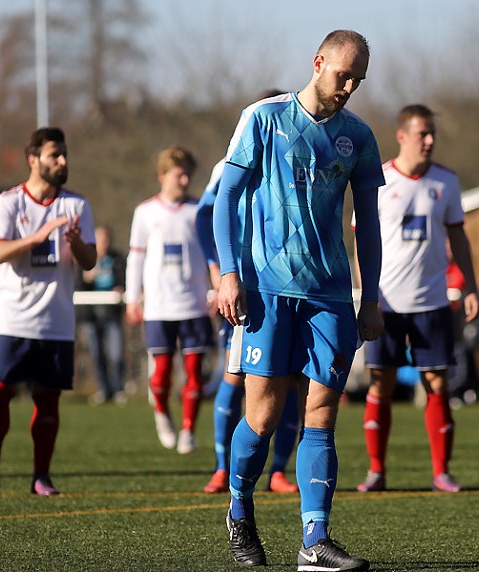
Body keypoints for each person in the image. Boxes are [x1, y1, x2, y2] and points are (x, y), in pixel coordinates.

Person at [213, 30, 384, 571]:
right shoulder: (262, 118)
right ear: (318, 62)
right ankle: (240, 511)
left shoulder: (358, 135)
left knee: (323, 413)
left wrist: (370, 296)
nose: (350, 86)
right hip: (267, 289)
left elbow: (370, 225)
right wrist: (228, 274)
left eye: (358, 79)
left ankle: (315, 540)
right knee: (262, 415)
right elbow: (227, 200)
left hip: (331, 294)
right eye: (343, 74)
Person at [0, 127, 96, 496]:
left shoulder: (77, 205)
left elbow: (90, 262)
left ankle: (42, 476)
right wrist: (36, 239)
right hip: (13, 318)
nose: (62, 161)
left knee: (48, 397)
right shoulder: (7, 202)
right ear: (33, 160)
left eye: (65, 154)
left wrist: (75, 244)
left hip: (56, 321)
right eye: (55, 155)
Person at [355, 104, 479, 495]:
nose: (429, 141)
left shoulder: (446, 182)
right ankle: (377, 471)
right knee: (380, 386)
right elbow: (362, 241)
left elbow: (458, 236)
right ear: (402, 135)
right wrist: (368, 297)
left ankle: (441, 472)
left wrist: (471, 285)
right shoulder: (379, 180)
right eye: (422, 133)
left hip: (433, 303)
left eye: (432, 135)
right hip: (386, 305)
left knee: (438, 385)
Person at [195, 150, 300, 495]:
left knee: (287, 381)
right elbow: (204, 215)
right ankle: (222, 467)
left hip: (293, 288)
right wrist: (219, 269)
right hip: (249, 287)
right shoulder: (229, 164)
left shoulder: (299, 160)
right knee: (233, 374)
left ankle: (279, 470)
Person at [126, 146, 213, 455]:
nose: (185, 179)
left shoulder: (200, 209)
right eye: (179, 174)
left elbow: (212, 254)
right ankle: (162, 413)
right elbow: (135, 258)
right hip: (159, 306)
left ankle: (189, 429)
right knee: (161, 371)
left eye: (189, 173)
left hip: (193, 303)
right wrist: (132, 297)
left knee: (194, 370)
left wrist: (214, 290)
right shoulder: (146, 212)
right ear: (163, 175)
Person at [79, 225, 127, 405]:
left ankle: (118, 389)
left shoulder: (117, 259)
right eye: (99, 239)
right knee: (96, 354)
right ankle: (103, 390)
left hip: (112, 313)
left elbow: (125, 279)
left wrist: (121, 288)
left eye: (106, 239)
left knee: (116, 354)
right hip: (90, 314)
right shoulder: (84, 259)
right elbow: (75, 285)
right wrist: (85, 279)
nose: (103, 243)